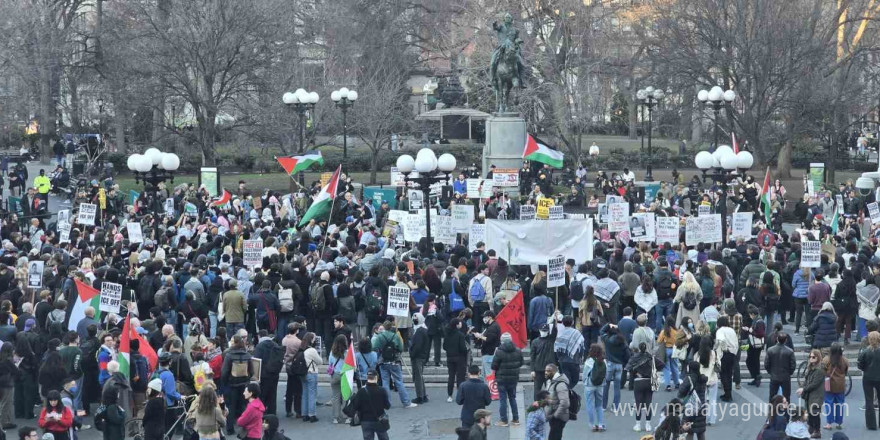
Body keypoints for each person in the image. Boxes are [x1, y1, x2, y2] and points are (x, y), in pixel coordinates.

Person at [371, 321, 416, 408]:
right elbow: (401, 348)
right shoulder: (395, 336)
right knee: (399, 382)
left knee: (385, 382)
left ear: (384, 327)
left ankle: (387, 403)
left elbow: (374, 347)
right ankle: (406, 402)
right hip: (395, 361)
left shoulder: (380, 337)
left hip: (383, 361)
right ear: (391, 327)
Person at [626, 342, 664, 432]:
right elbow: (662, 364)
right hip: (649, 381)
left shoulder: (634, 358)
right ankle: (648, 425)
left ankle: (638, 425)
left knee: (638, 404)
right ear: (646, 348)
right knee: (648, 404)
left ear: (639, 348)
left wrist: (636, 373)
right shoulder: (651, 357)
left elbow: (628, 368)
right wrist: (653, 370)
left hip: (638, 382)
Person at [491, 333, 523, 427]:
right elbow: (521, 363)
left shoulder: (499, 351)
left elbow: (494, 366)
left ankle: (504, 420)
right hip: (513, 379)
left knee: (503, 399)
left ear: (502, 341)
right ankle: (516, 419)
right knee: (513, 398)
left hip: (501, 379)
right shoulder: (518, 350)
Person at [349, 370, 391, 440]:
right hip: (379, 419)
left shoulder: (361, 391)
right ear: (376, 378)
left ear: (367, 378)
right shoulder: (382, 390)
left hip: (365, 421)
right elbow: (387, 406)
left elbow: (356, 406)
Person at [797, 349, 825, 437]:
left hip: (816, 395)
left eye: (813, 357)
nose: (811, 359)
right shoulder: (811, 367)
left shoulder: (820, 370)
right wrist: (803, 387)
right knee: (810, 412)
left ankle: (817, 431)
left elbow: (814, 384)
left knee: (815, 413)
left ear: (818, 357)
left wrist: (803, 389)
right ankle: (811, 428)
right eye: (810, 357)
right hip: (810, 395)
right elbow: (807, 380)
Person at [764, 331, 795, 403]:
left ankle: (772, 412)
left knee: (772, 396)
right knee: (786, 397)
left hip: (774, 376)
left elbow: (766, 364)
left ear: (777, 339)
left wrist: (771, 372)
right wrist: (789, 373)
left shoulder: (770, 350)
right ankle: (786, 413)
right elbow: (793, 365)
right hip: (785, 377)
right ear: (786, 340)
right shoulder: (790, 351)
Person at [554, 315, 585, 389]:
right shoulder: (576, 333)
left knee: (566, 379)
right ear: (572, 322)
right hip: (574, 360)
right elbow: (581, 346)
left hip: (562, 360)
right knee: (575, 379)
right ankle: (567, 392)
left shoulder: (560, 333)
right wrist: (580, 357)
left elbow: (556, 347)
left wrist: (558, 358)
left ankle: (567, 391)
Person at [456, 365, 491, 429]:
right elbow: (488, 402)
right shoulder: (484, 386)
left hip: (467, 417)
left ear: (468, 373)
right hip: (480, 417)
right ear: (479, 373)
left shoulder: (463, 385)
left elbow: (459, 401)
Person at [823, 343, 849, 430]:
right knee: (840, 404)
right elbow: (845, 371)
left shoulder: (827, 360)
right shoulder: (844, 360)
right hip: (840, 385)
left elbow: (823, 371)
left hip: (829, 385)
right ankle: (839, 423)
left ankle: (829, 423)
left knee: (829, 404)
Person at [858, 331, 880, 430]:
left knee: (869, 400)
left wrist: (865, 369)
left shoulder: (865, 351)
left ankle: (871, 424)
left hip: (868, 377)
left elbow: (860, 364)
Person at [541, 363, 570, 440]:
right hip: (553, 415)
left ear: (554, 372)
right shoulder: (550, 382)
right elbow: (552, 398)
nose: (545, 372)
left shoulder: (560, 384)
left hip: (559, 417)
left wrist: (555, 415)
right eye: (545, 370)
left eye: (548, 371)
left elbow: (565, 402)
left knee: (554, 437)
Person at [299, 332, 322, 422]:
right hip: (311, 372)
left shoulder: (301, 348)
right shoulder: (312, 350)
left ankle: (304, 414)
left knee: (304, 394)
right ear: (311, 340)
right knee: (312, 394)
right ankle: (312, 414)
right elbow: (320, 361)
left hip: (303, 373)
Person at [583, 343, 607, 432]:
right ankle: (600, 424)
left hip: (590, 385)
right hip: (600, 385)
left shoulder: (589, 361)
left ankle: (592, 425)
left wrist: (585, 382)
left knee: (589, 405)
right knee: (599, 405)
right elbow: (606, 374)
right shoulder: (603, 361)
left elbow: (585, 374)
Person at [445, 318, 469, 402]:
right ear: (457, 325)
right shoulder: (460, 335)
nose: (461, 324)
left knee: (451, 377)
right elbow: (463, 348)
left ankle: (449, 395)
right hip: (460, 358)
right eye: (459, 323)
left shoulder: (447, 334)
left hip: (450, 357)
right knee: (460, 377)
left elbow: (444, 346)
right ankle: (460, 395)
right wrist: (466, 351)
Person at [715, 316, 738, 402]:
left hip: (724, 354)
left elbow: (721, 340)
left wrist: (723, 349)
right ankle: (729, 393)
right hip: (732, 353)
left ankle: (727, 394)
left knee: (723, 374)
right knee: (729, 374)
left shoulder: (720, 331)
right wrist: (734, 351)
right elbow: (736, 342)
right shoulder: (731, 330)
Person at [742, 305, 766, 387]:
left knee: (753, 361)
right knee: (752, 361)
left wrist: (749, 330)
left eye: (750, 314)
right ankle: (756, 377)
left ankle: (757, 377)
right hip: (753, 344)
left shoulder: (759, 322)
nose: (749, 316)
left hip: (756, 345)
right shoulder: (756, 320)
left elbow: (760, 333)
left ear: (753, 314)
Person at [327, 334, 348, 424]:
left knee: (335, 397)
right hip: (344, 375)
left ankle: (336, 418)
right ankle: (346, 416)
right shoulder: (346, 353)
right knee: (345, 396)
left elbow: (330, 364)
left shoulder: (332, 352)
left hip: (335, 375)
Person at [409, 312, 430, 404]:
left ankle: (420, 396)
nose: (414, 321)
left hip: (418, 357)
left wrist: (412, 354)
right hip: (422, 356)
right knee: (420, 376)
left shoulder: (419, 331)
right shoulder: (423, 329)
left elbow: (417, 346)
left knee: (417, 377)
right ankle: (423, 395)